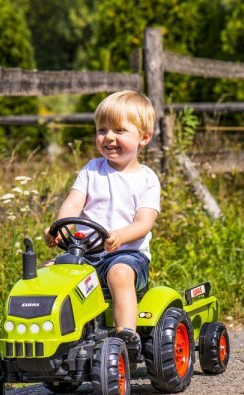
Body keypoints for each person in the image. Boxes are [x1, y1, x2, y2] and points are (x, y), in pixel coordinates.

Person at [44, 90, 161, 355]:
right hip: (85, 253)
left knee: (118, 273)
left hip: (128, 255)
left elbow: (144, 222)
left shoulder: (147, 179)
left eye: (119, 130)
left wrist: (120, 236)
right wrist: (60, 228)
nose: (108, 137)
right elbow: (73, 203)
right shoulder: (91, 169)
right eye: (102, 130)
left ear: (143, 137)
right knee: (46, 273)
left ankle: (126, 335)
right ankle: (52, 338)